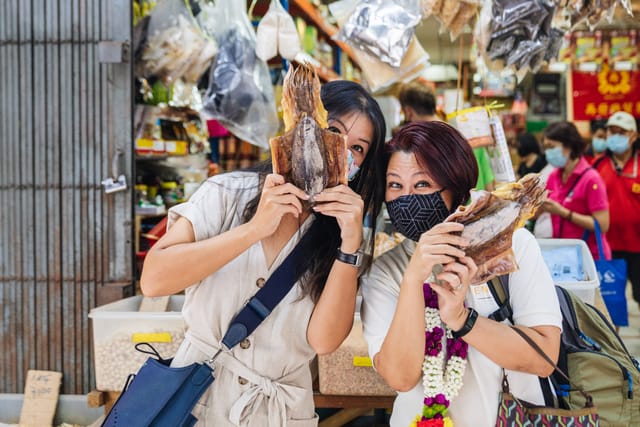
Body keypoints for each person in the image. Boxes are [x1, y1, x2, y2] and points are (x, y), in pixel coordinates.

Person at [140, 79, 387, 426]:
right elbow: (154, 280)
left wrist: (349, 246)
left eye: (359, 148)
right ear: (302, 124)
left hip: (279, 411)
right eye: (334, 130)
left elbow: (324, 340)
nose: (343, 150)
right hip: (195, 397)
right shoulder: (227, 193)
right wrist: (254, 229)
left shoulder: (342, 235)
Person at [360, 121, 561, 427]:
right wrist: (414, 279)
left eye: (423, 184)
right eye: (395, 185)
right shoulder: (387, 271)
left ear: (455, 187)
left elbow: (544, 357)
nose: (407, 197)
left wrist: (461, 320)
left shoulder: (511, 247)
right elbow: (400, 377)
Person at [539, 121, 611, 260]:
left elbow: (602, 225)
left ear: (569, 146)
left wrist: (563, 212)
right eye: (545, 148)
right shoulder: (553, 177)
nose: (548, 152)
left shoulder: (591, 179)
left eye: (551, 147)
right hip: (562, 255)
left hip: (590, 256)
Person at [593, 111, 640, 307]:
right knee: (611, 303)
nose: (616, 136)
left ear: (634, 136)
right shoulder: (598, 165)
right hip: (607, 248)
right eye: (612, 131)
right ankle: (613, 338)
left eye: (621, 132)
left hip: (638, 246)